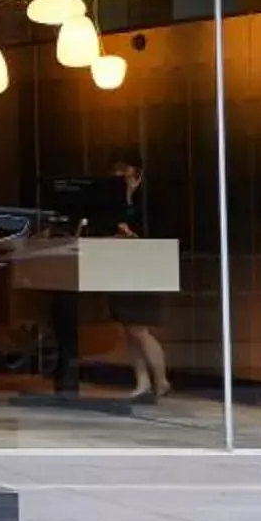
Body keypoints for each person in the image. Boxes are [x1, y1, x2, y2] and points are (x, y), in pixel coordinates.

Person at [103, 151, 173, 404]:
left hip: (145, 262)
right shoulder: (114, 195)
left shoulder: (152, 195)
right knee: (127, 327)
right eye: (116, 170)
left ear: (136, 170)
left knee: (139, 327)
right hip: (122, 263)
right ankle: (142, 381)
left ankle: (161, 379)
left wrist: (136, 234)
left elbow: (162, 228)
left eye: (124, 169)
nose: (119, 174)